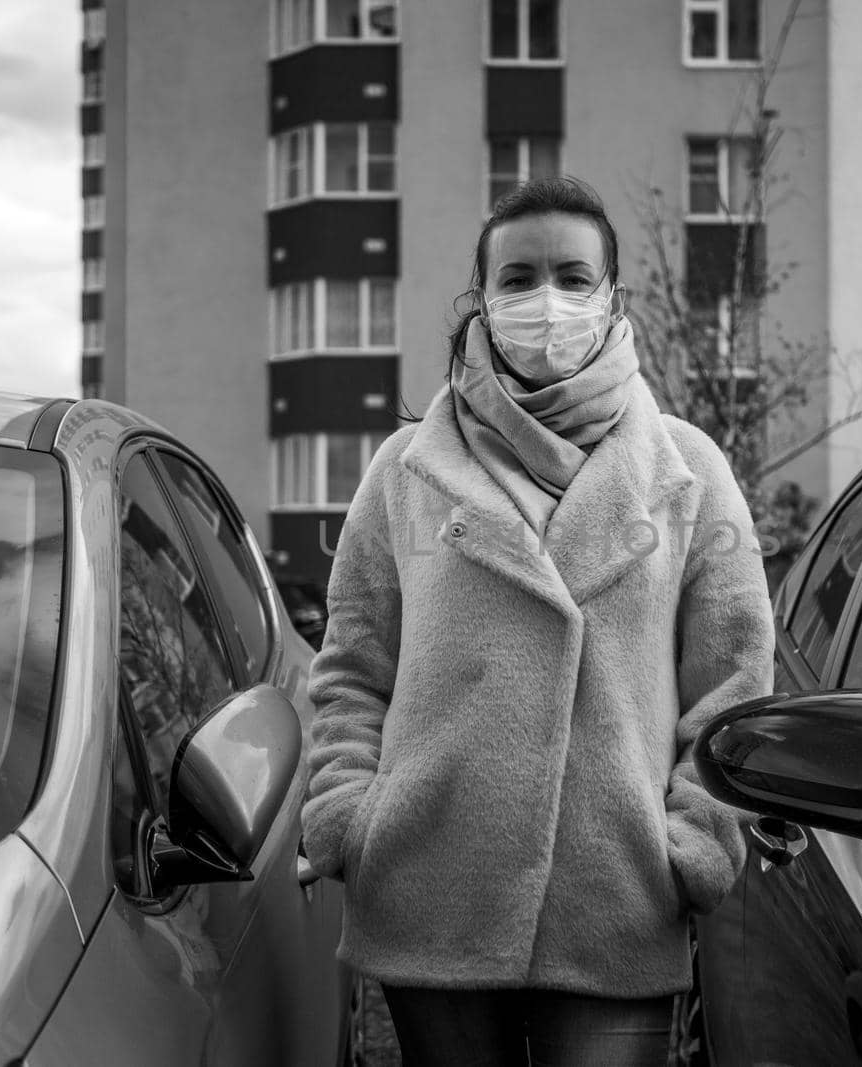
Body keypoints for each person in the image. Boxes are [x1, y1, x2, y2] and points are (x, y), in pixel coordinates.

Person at [301, 176, 774, 1066]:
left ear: (612, 297)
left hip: (619, 897)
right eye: (517, 279)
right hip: (428, 886)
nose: (544, 301)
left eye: (570, 275)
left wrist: (695, 842)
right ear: (480, 300)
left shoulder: (690, 469)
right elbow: (352, 667)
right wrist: (348, 815)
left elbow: (735, 682)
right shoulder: (404, 470)